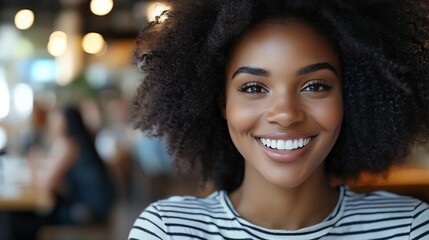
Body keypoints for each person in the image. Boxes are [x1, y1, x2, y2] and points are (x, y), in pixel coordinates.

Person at [128, 0, 429, 239]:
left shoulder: (410, 228)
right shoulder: (169, 231)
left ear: (352, 95)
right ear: (222, 102)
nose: (285, 114)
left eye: (315, 86)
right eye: (254, 88)